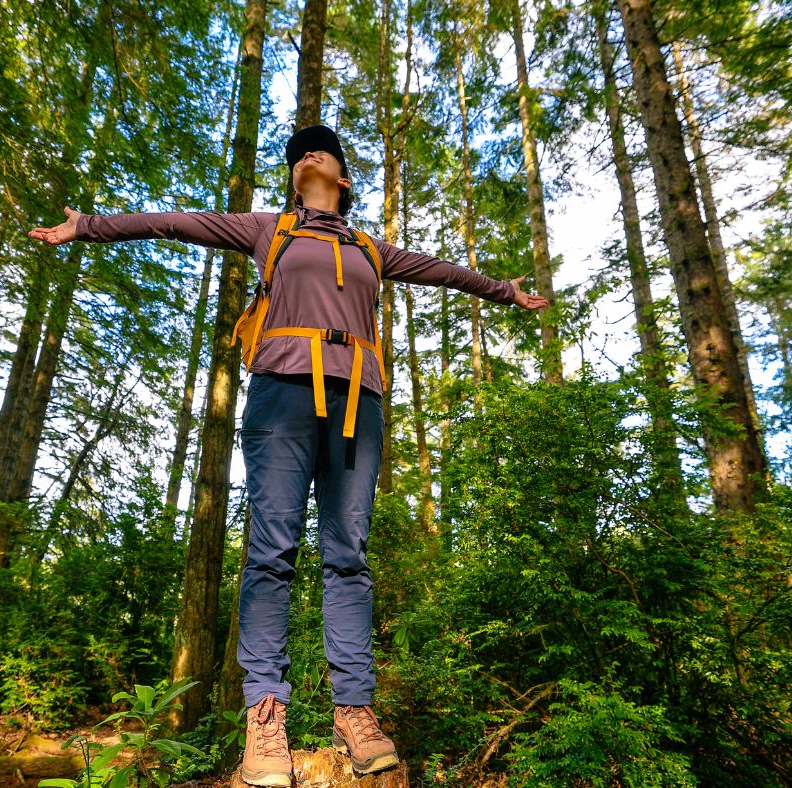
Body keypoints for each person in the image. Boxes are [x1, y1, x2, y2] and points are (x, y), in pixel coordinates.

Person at [30, 124, 548, 787]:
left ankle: (353, 712)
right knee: (271, 550)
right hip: (281, 396)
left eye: (321, 151)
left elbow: (443, 270)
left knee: (347, 555)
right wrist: (90, 226)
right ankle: (265, 716)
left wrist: (504, 290)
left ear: (343, 178)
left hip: (361, 402)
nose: (307, 154)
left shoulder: (369, 247)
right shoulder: (266, 229)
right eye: (300, 152)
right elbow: (175, 222)